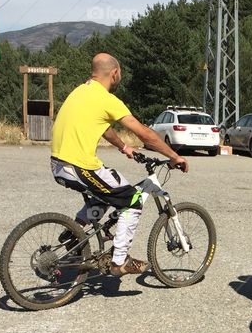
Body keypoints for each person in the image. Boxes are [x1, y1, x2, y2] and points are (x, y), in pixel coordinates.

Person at [49, 53, 188, 277]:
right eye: (119, 74)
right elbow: (145, 134)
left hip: (59, 164)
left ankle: (75, 231)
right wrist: (174, 156)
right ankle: (119, 262)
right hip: (79, 165)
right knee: (131, 200)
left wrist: (124, 147)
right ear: (114, 73)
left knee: (110, 188)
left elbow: (102, 127)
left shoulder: (81, 91)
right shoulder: (107, 99)